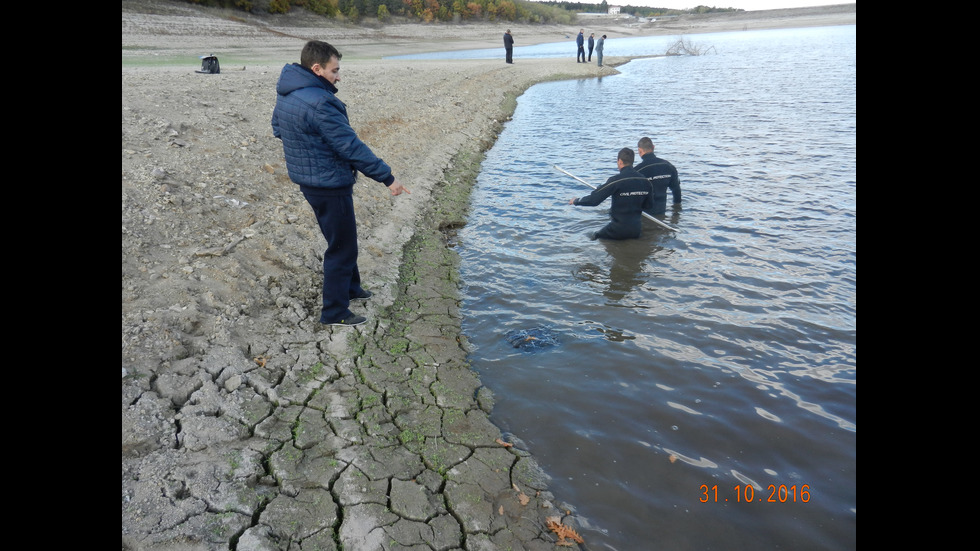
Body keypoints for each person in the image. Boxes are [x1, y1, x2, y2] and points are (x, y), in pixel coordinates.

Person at [271, 40, 410, 327]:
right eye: (335, 71)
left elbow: (278, 128)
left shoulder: (288, 92)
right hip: (328, 183)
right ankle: (334, 312)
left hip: (309, 180)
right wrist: (388, 178)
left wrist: (308, 148)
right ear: (317, 68)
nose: (338, 76)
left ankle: (351, 288)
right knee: (342, 247)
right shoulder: (321, 102)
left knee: (343, 239)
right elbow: (351, 147)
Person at [569, 148, 653, 240]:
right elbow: (648, 206)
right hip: (636, 231)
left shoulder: (616, 180)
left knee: (592, 236)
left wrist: (576, 201)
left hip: (616, 230)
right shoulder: (646, 181)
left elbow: (594, 200)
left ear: (620, 161)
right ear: (632, 161)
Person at [634, 136, 682, 216]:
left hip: (644, 215)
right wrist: (676, 213)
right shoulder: (669, 166)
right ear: (653, 147)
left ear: (640, 151)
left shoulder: (637, 171)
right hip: (661, 212)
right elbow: (676, 191)